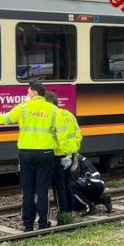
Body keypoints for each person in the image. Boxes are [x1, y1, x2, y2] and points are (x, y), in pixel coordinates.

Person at [0, 82, 69, 231]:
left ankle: (28, 224)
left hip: (26, 154)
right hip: (46, 154)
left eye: (28, 92)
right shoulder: (54, 110)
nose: (27, 95)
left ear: (34, 93)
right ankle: (43, 223)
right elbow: (62, 135)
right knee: (42, 190)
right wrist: (66, 155)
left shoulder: (23, 108)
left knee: (27, 190)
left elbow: (4, 119)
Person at [44, 91, 82, 224]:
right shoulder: (69, 115)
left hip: (58, 155)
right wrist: (74, 153)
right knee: (67, 185)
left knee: (58, 187)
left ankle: (63, 216)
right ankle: (69, 212)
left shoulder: (52, 117)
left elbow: (55, 138)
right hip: (70, 154)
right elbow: (78, 134)